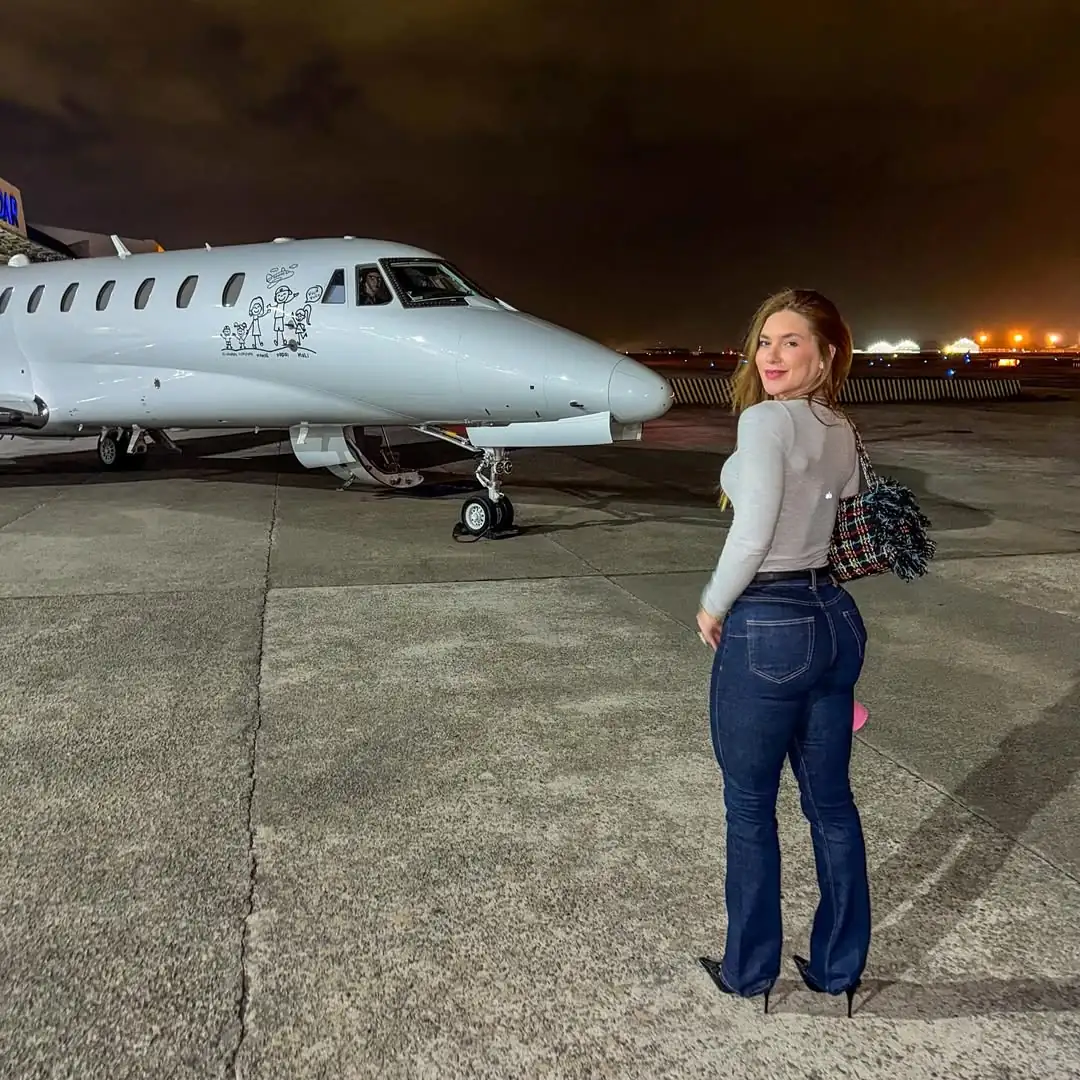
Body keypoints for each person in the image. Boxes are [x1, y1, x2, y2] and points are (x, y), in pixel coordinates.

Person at [695, 288, 870, 1018]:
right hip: (833, 618)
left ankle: (750, 971)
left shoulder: (765, 422)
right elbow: (846, 499)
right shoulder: (841, 427)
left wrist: (713, 602)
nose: (770, 355)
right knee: (830, 804)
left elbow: (754, 531)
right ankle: (838, 969)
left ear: (826, 354)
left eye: (791, 341)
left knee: (749, 807)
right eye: (764, 341)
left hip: (769, 621)